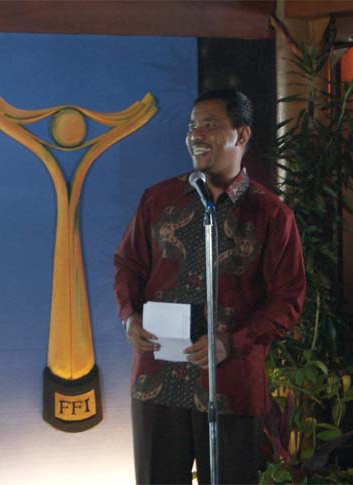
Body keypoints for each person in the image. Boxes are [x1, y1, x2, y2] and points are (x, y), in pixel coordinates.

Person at [113, 89, 305, 484]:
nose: (196, 135)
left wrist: (230, 342)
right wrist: (129, 318)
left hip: (231, 386)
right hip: (157, 381)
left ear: (242, 135)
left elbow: (287, 301)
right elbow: (128, 265)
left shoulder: (271, 214)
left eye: (210, 125)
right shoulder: (158, 199)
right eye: (192, 126)